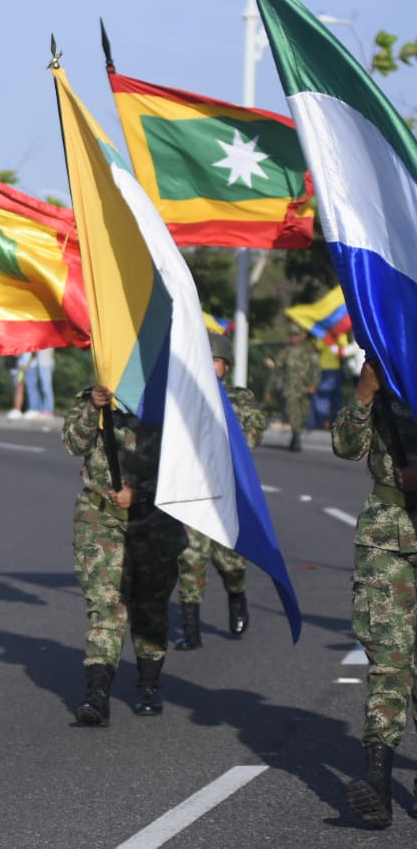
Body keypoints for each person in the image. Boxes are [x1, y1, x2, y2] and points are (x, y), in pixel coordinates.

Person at [62, 384, 188, 727]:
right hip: (99, 517)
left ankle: (149, 684)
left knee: (150, 605)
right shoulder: (91, 398)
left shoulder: (170, 399)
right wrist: (93, 407)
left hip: (153, 519)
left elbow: (189, 465)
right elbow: (74, 443)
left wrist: (142, 494)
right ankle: (97, 694)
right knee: (106, 605)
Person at [332, 358, 417, 829]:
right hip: (386, 535)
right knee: (389, 663)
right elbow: (346, 446)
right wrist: (365, 391)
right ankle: (378, 789)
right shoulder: (383, 374)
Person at [175, 334, 268, 650]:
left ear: (225, 366)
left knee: (230, 563)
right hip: (193, 492)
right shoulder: (184, 396)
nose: (209, 365)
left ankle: (237, 596)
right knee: (190, 558)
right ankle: (190, 631)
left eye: (215, 360)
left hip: (226, 494)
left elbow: (252, 436)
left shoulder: (240, 399)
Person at [266, 324, 319, 452]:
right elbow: (276, 372)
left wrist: (314, 384)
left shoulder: (310, 352)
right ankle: (296, 438)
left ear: (302, 336)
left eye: (296, 335)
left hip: (305, 389)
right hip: (290, 389)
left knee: (303, 414)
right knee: (294, 413)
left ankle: (296, 434)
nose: (294, 338)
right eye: (292, 335)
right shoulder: (286, 353)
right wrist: (270, 390)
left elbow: (316, 370)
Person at [22, 347, 56, 418]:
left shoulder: (48, 340)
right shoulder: (41, 342)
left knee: (47, 389)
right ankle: (45, 410)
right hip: (42, 365)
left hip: (46, 365)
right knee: (43, 388)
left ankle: (49, 411)